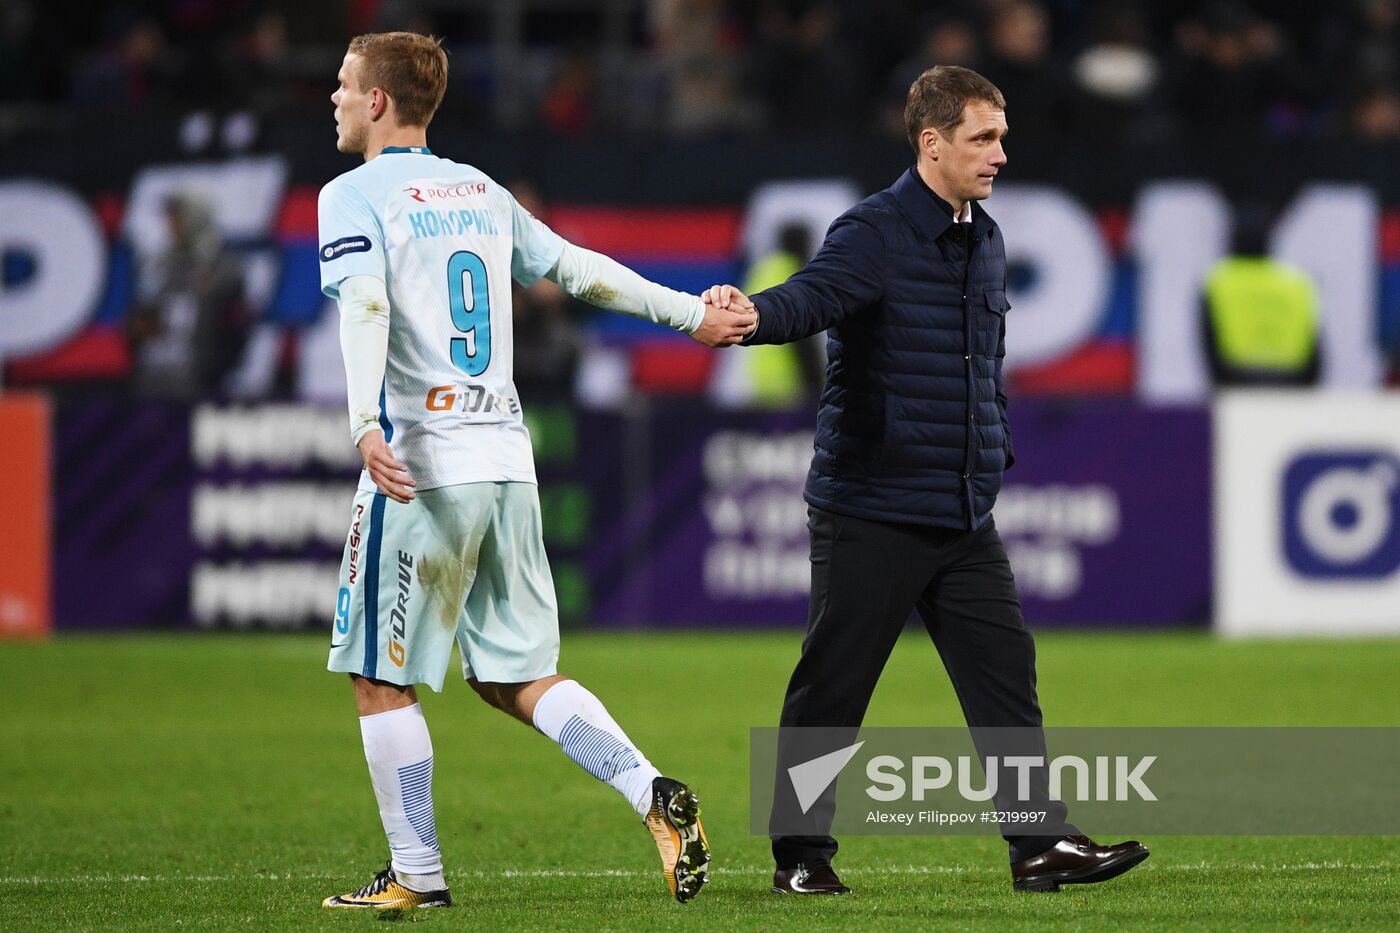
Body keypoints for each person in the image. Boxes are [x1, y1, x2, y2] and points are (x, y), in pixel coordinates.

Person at [316, 31, 753, 910]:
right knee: (511, 673)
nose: (332, 98)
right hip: (507, 460)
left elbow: (364, 302)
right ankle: (652, 793)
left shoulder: (351, 194)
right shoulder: (480, 190)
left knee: (379, 675)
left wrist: (364, 421)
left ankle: (417, 874)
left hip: (422, 460)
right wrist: (687, 314)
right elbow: (576, 270)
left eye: (342, 85)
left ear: (377, 102)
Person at [704, 65, 1149, 895]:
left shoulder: (985, 235)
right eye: (983, 138)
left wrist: (992, 450)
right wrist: (756, 316)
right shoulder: (872, 231)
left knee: (1006, 674)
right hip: (872, 502)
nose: (1001, 154)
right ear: (931, 143)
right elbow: (814, 295)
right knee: (836, 684)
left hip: (961, 507)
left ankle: (1039, 844)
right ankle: (800, 855)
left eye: (1002, 136)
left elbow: (983, 366)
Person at [1200, 203, 1320, 387]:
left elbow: (1209, 344)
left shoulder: (1218, 281)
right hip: (1292, 386)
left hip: (1237, 383)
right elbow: (1316, 352)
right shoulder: (1297, 283)